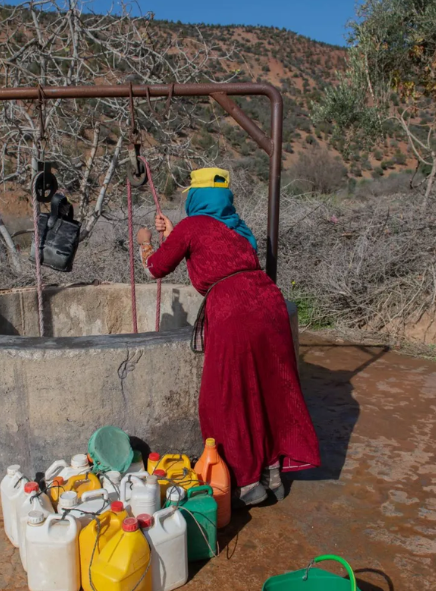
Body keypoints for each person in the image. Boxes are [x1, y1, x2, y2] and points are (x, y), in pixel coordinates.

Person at [137, 168, 320, 506]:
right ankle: (272, 472)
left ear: (195, 198)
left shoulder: (193, 227)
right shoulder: (237, 228)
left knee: (226, 396)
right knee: (266, 389)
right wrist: (175, 233)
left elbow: (157, 268)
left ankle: (245, 483)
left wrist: (146, 243)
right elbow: (210, 249)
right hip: (269, 303)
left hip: (234, 310)